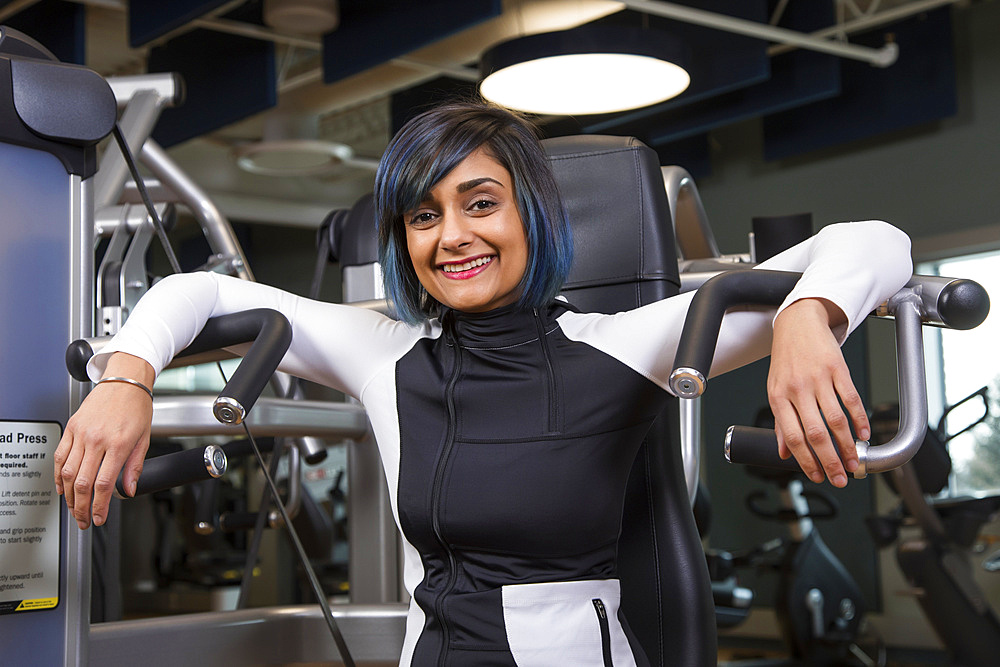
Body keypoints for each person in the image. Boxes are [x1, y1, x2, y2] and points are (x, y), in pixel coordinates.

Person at [54, 101, 912, 666]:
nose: (452, 236)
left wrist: (809, 315)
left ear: (530, 214)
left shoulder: (624, 345)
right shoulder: (383, 351)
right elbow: (201, 290)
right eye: (424, 215)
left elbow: (875, 239)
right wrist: (125, 375)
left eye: (480, 203)